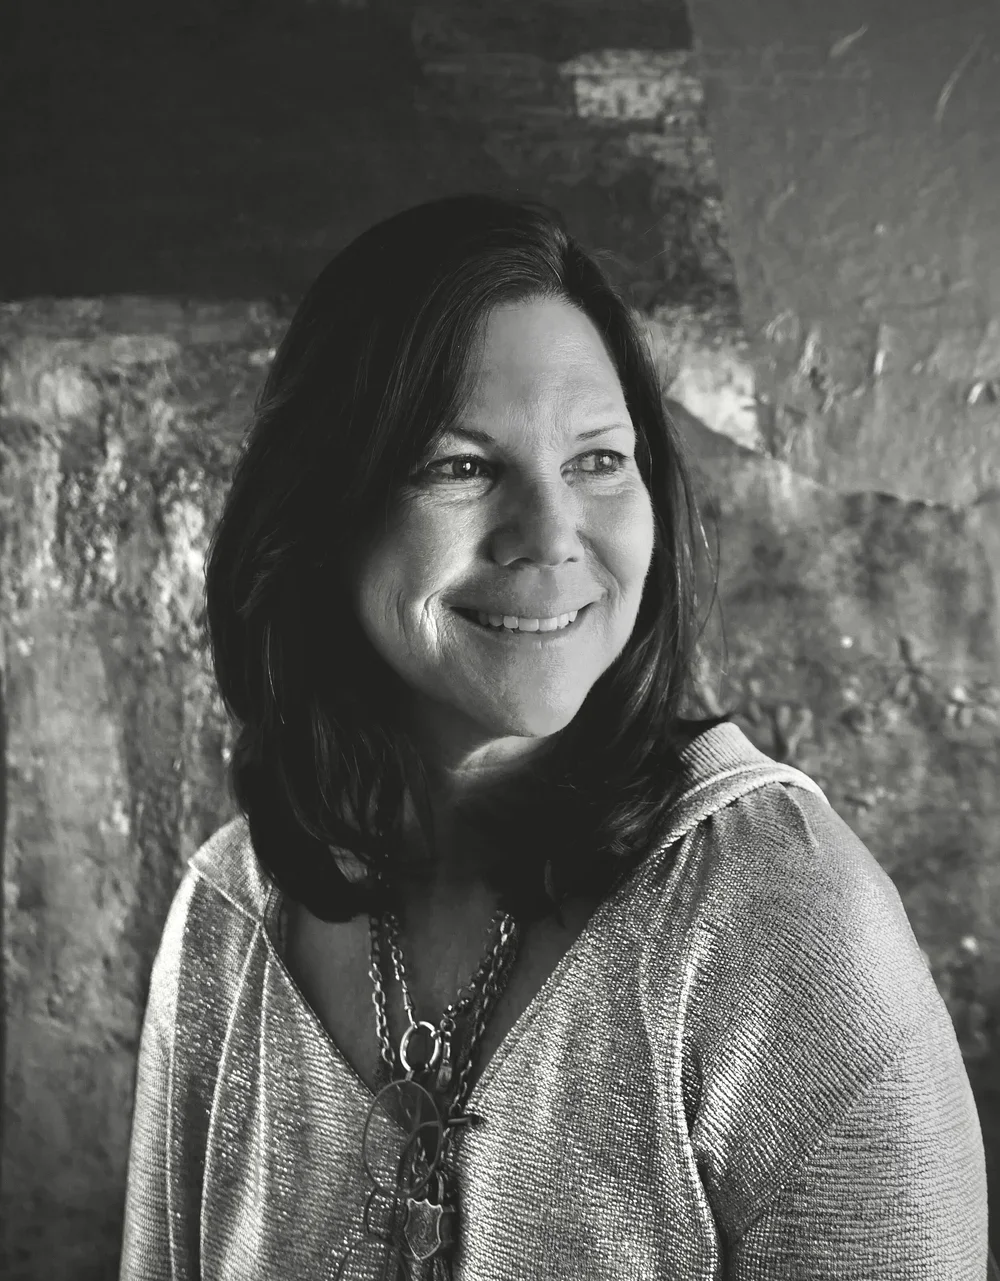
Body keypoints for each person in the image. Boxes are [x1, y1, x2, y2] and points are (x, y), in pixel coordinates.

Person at [119, 193, 992, 1280]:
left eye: (595, 460)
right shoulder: (229, 922)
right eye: (461, 465)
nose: (549, 534)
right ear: (320, 514)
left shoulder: (780, 927)